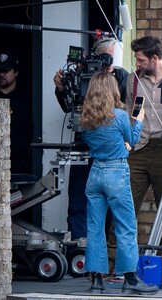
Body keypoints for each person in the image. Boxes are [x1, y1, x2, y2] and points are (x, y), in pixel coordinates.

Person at [81, 71, 158, 295]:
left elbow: (97, 143)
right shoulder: (120, 116)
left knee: (95, 228)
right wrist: (139, 121)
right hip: (116, 171)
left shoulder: (86, 118)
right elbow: (132, 141)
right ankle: (131, 279)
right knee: (125, 226)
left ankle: (96, 281)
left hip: (95, 173)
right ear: (112, 90)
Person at [53, 38, 128, 240]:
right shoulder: (81, 73)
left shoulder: (121, 76)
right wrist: (61, 88)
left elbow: (123, 108)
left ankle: (106, 254)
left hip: (110, 153)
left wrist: (111, 78)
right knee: (79, 201)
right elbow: (69, 106)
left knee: (111, 204)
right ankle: (79, 247)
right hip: (83, 147)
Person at [125, 36, 162, 251]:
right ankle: (116, 261)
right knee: (125, 205)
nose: (137, 64)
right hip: (138, 147)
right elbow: (131, 113)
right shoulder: (132, 80)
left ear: (155, 58)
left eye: (141, 60)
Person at [0, 50, 32, 174]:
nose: (1, 74)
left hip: (18, 165)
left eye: (6, 71)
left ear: (16, 72)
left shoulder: (25, 99)